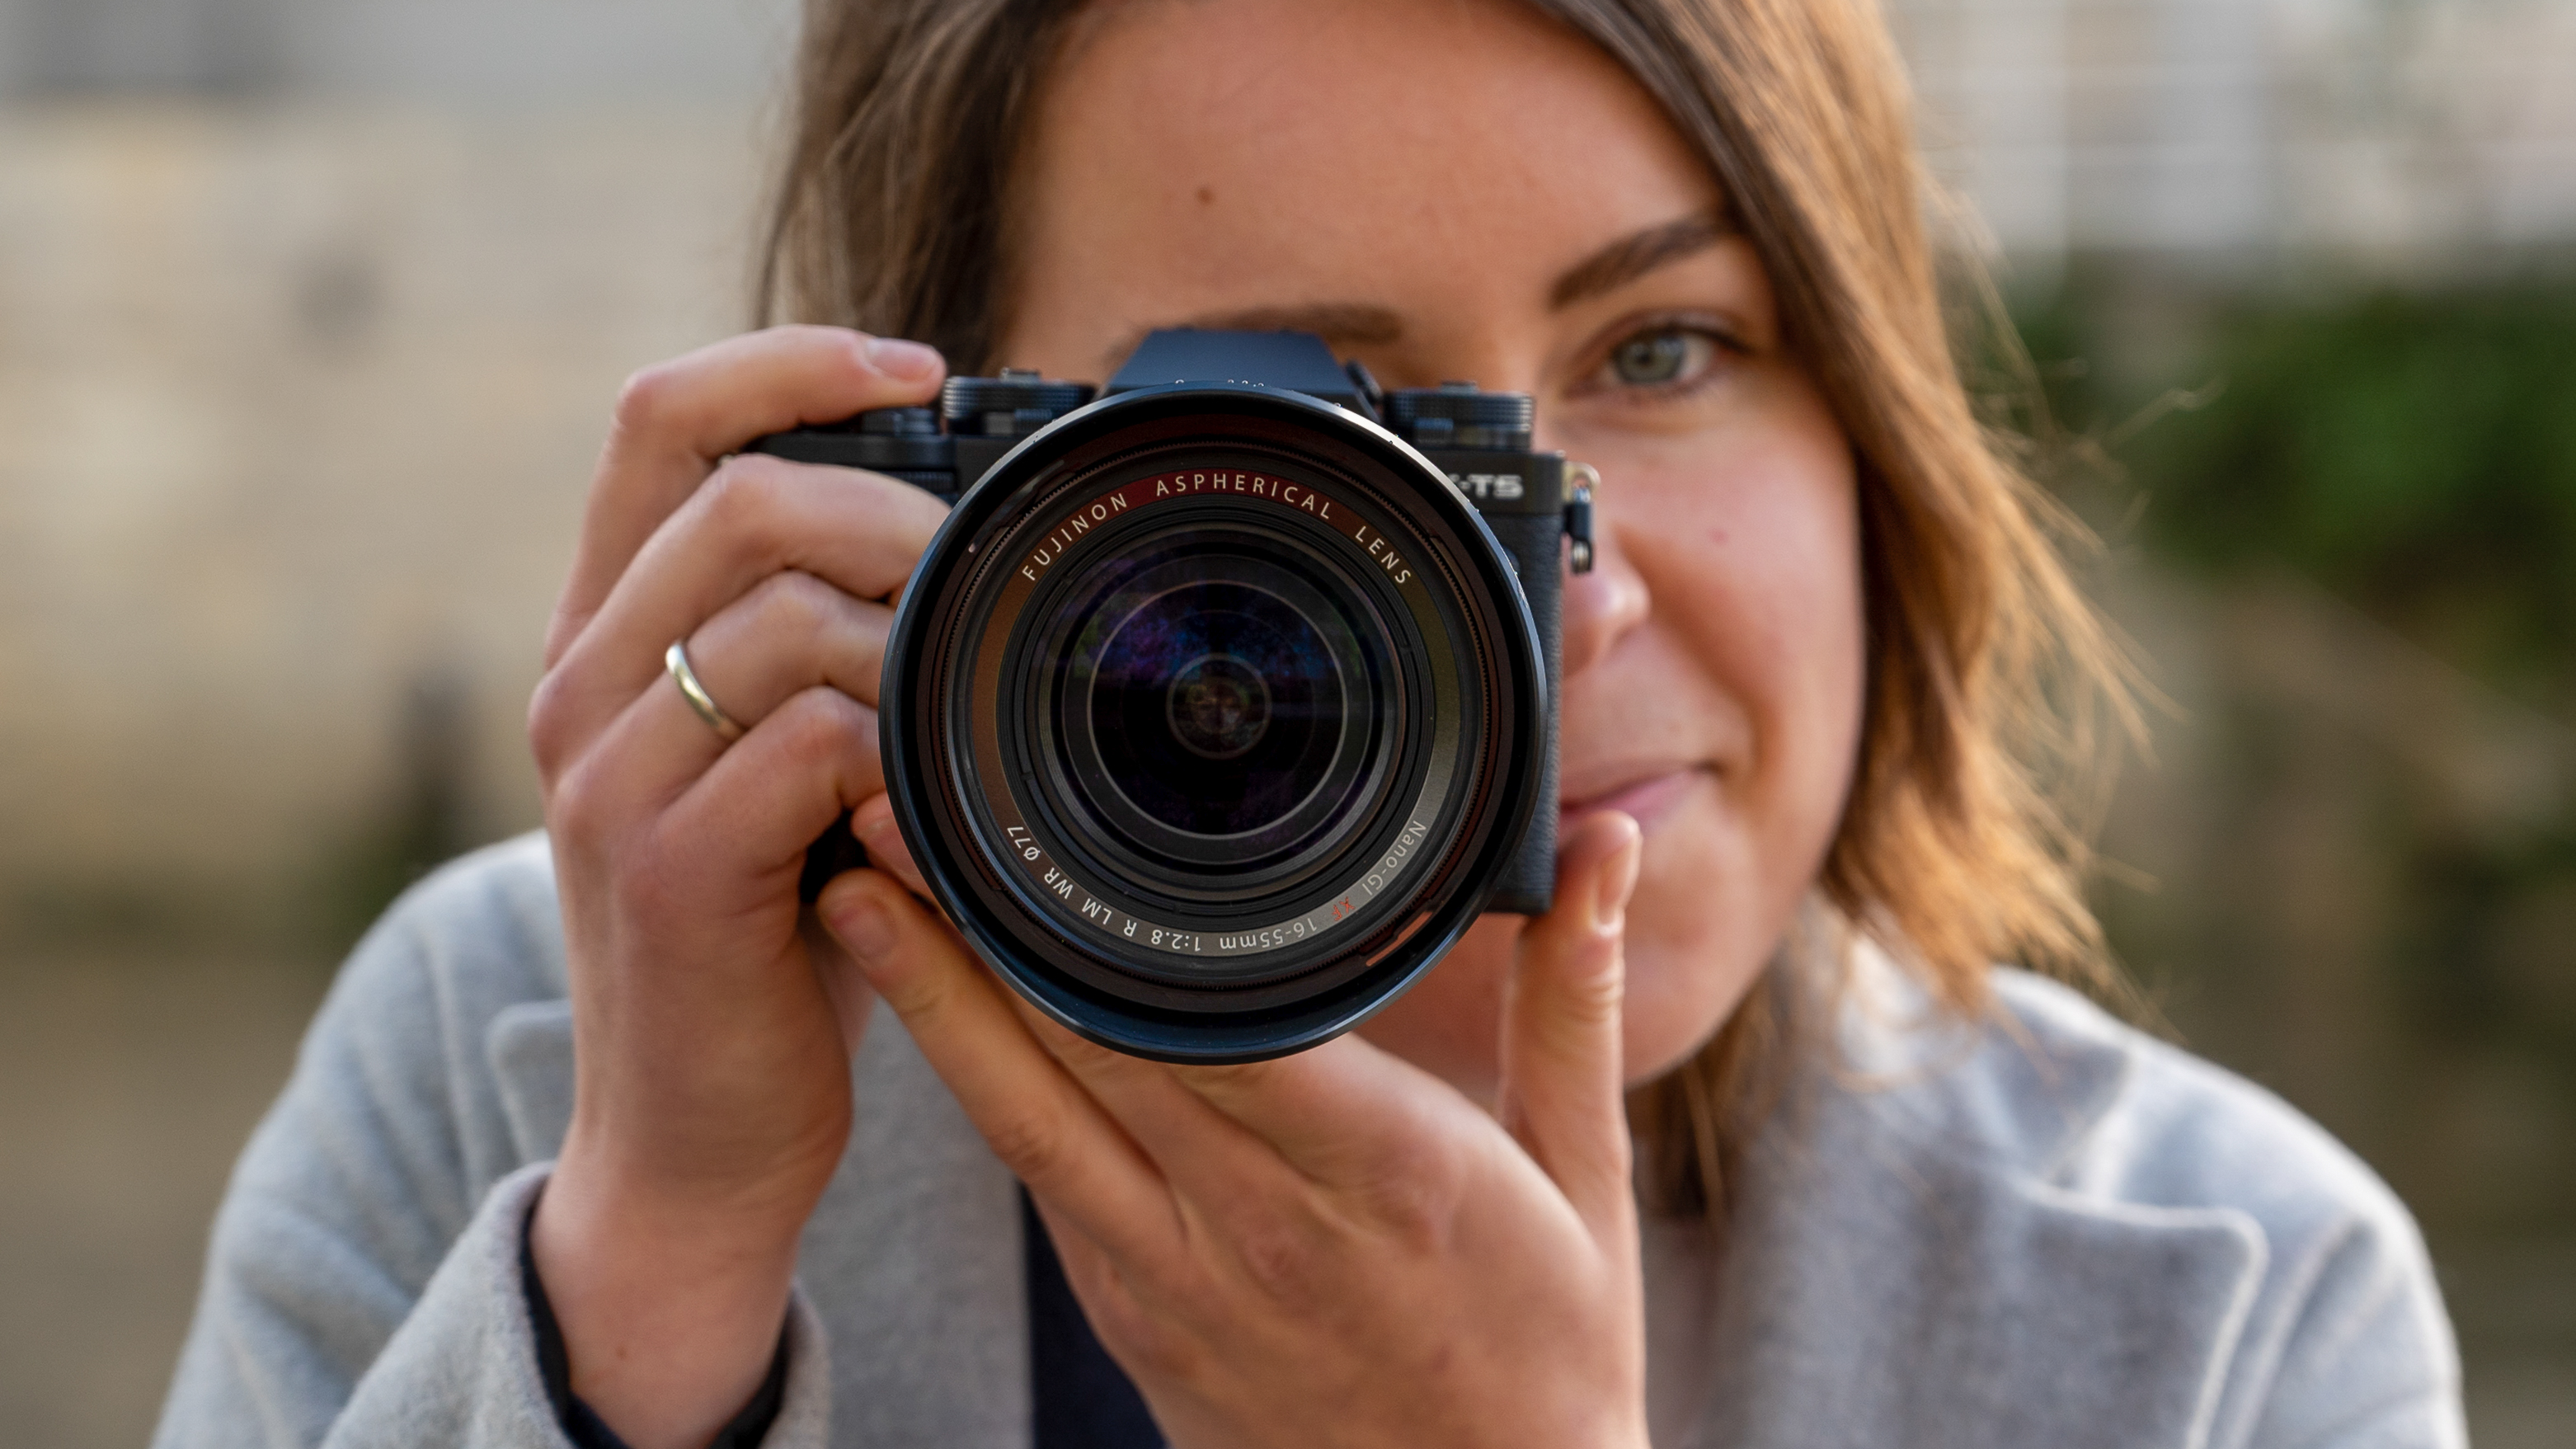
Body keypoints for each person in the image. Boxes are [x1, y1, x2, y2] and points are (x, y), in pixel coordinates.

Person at [153, 1, 2467, 1446]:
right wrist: (645, 1285)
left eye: (1663, 351)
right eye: (1315, 445)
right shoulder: (522, 1070)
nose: (1566, 597)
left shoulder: (2223, 1322)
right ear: (948, 504)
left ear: (1871, 418)